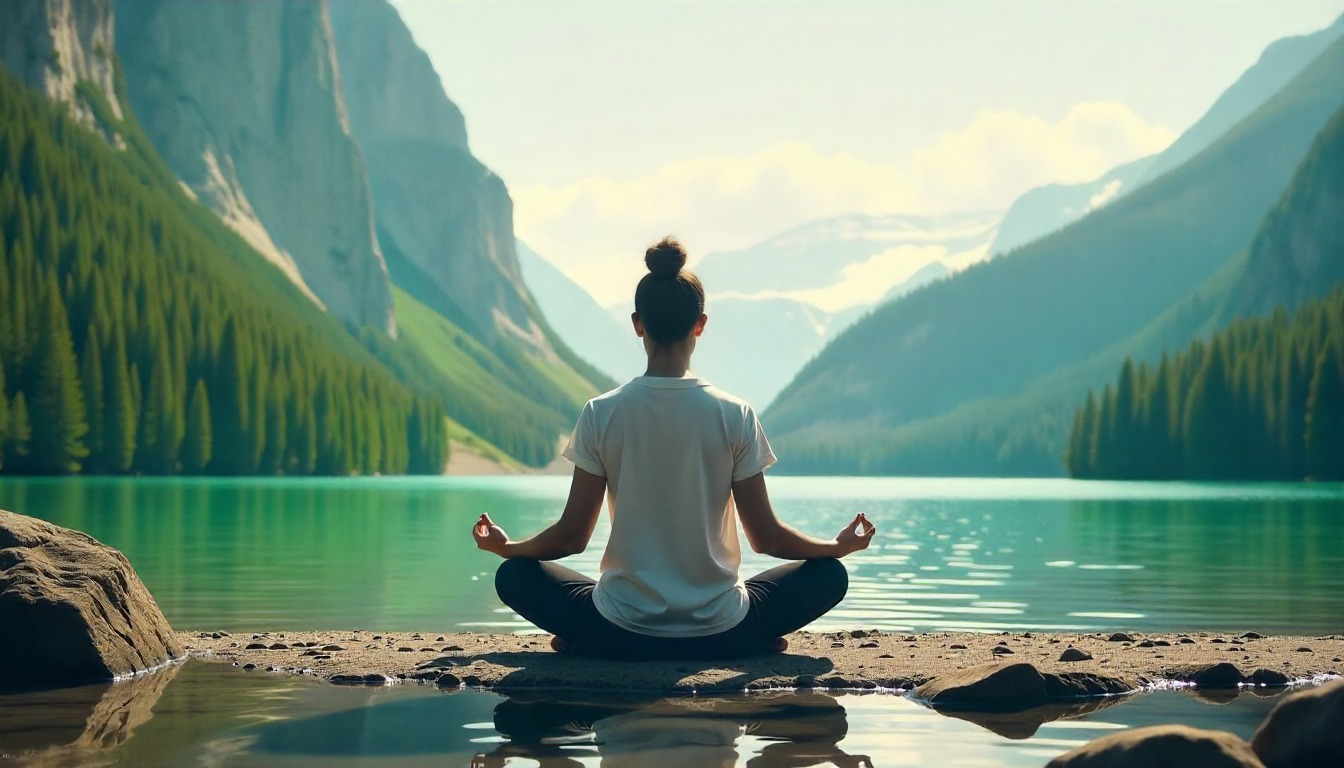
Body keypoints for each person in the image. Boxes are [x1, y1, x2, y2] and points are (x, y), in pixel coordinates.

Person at [472, 236, 876, 661]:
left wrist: (509, 548)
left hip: (620, 628)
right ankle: (750, 640)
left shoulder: (601, 412)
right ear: (700, 323)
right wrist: (836, 548)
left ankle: (588, 638)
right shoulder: (735, 413)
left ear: (637, 324)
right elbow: (766, 537)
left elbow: (572, 537)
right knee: (829, 576)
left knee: (515, 576)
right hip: (720, 629)